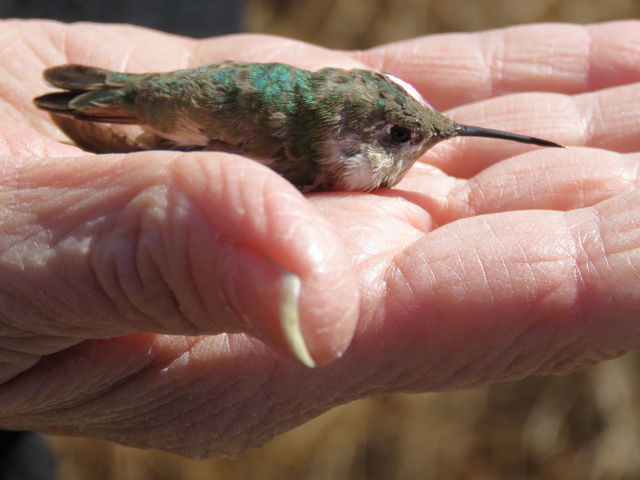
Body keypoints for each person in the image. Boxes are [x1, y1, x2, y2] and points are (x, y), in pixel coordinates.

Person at [0, 19, 639, 459]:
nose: (418, 145)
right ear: (344, 142)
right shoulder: (306, 161)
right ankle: (109, 98)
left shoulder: (322, 132)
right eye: (400, 137)